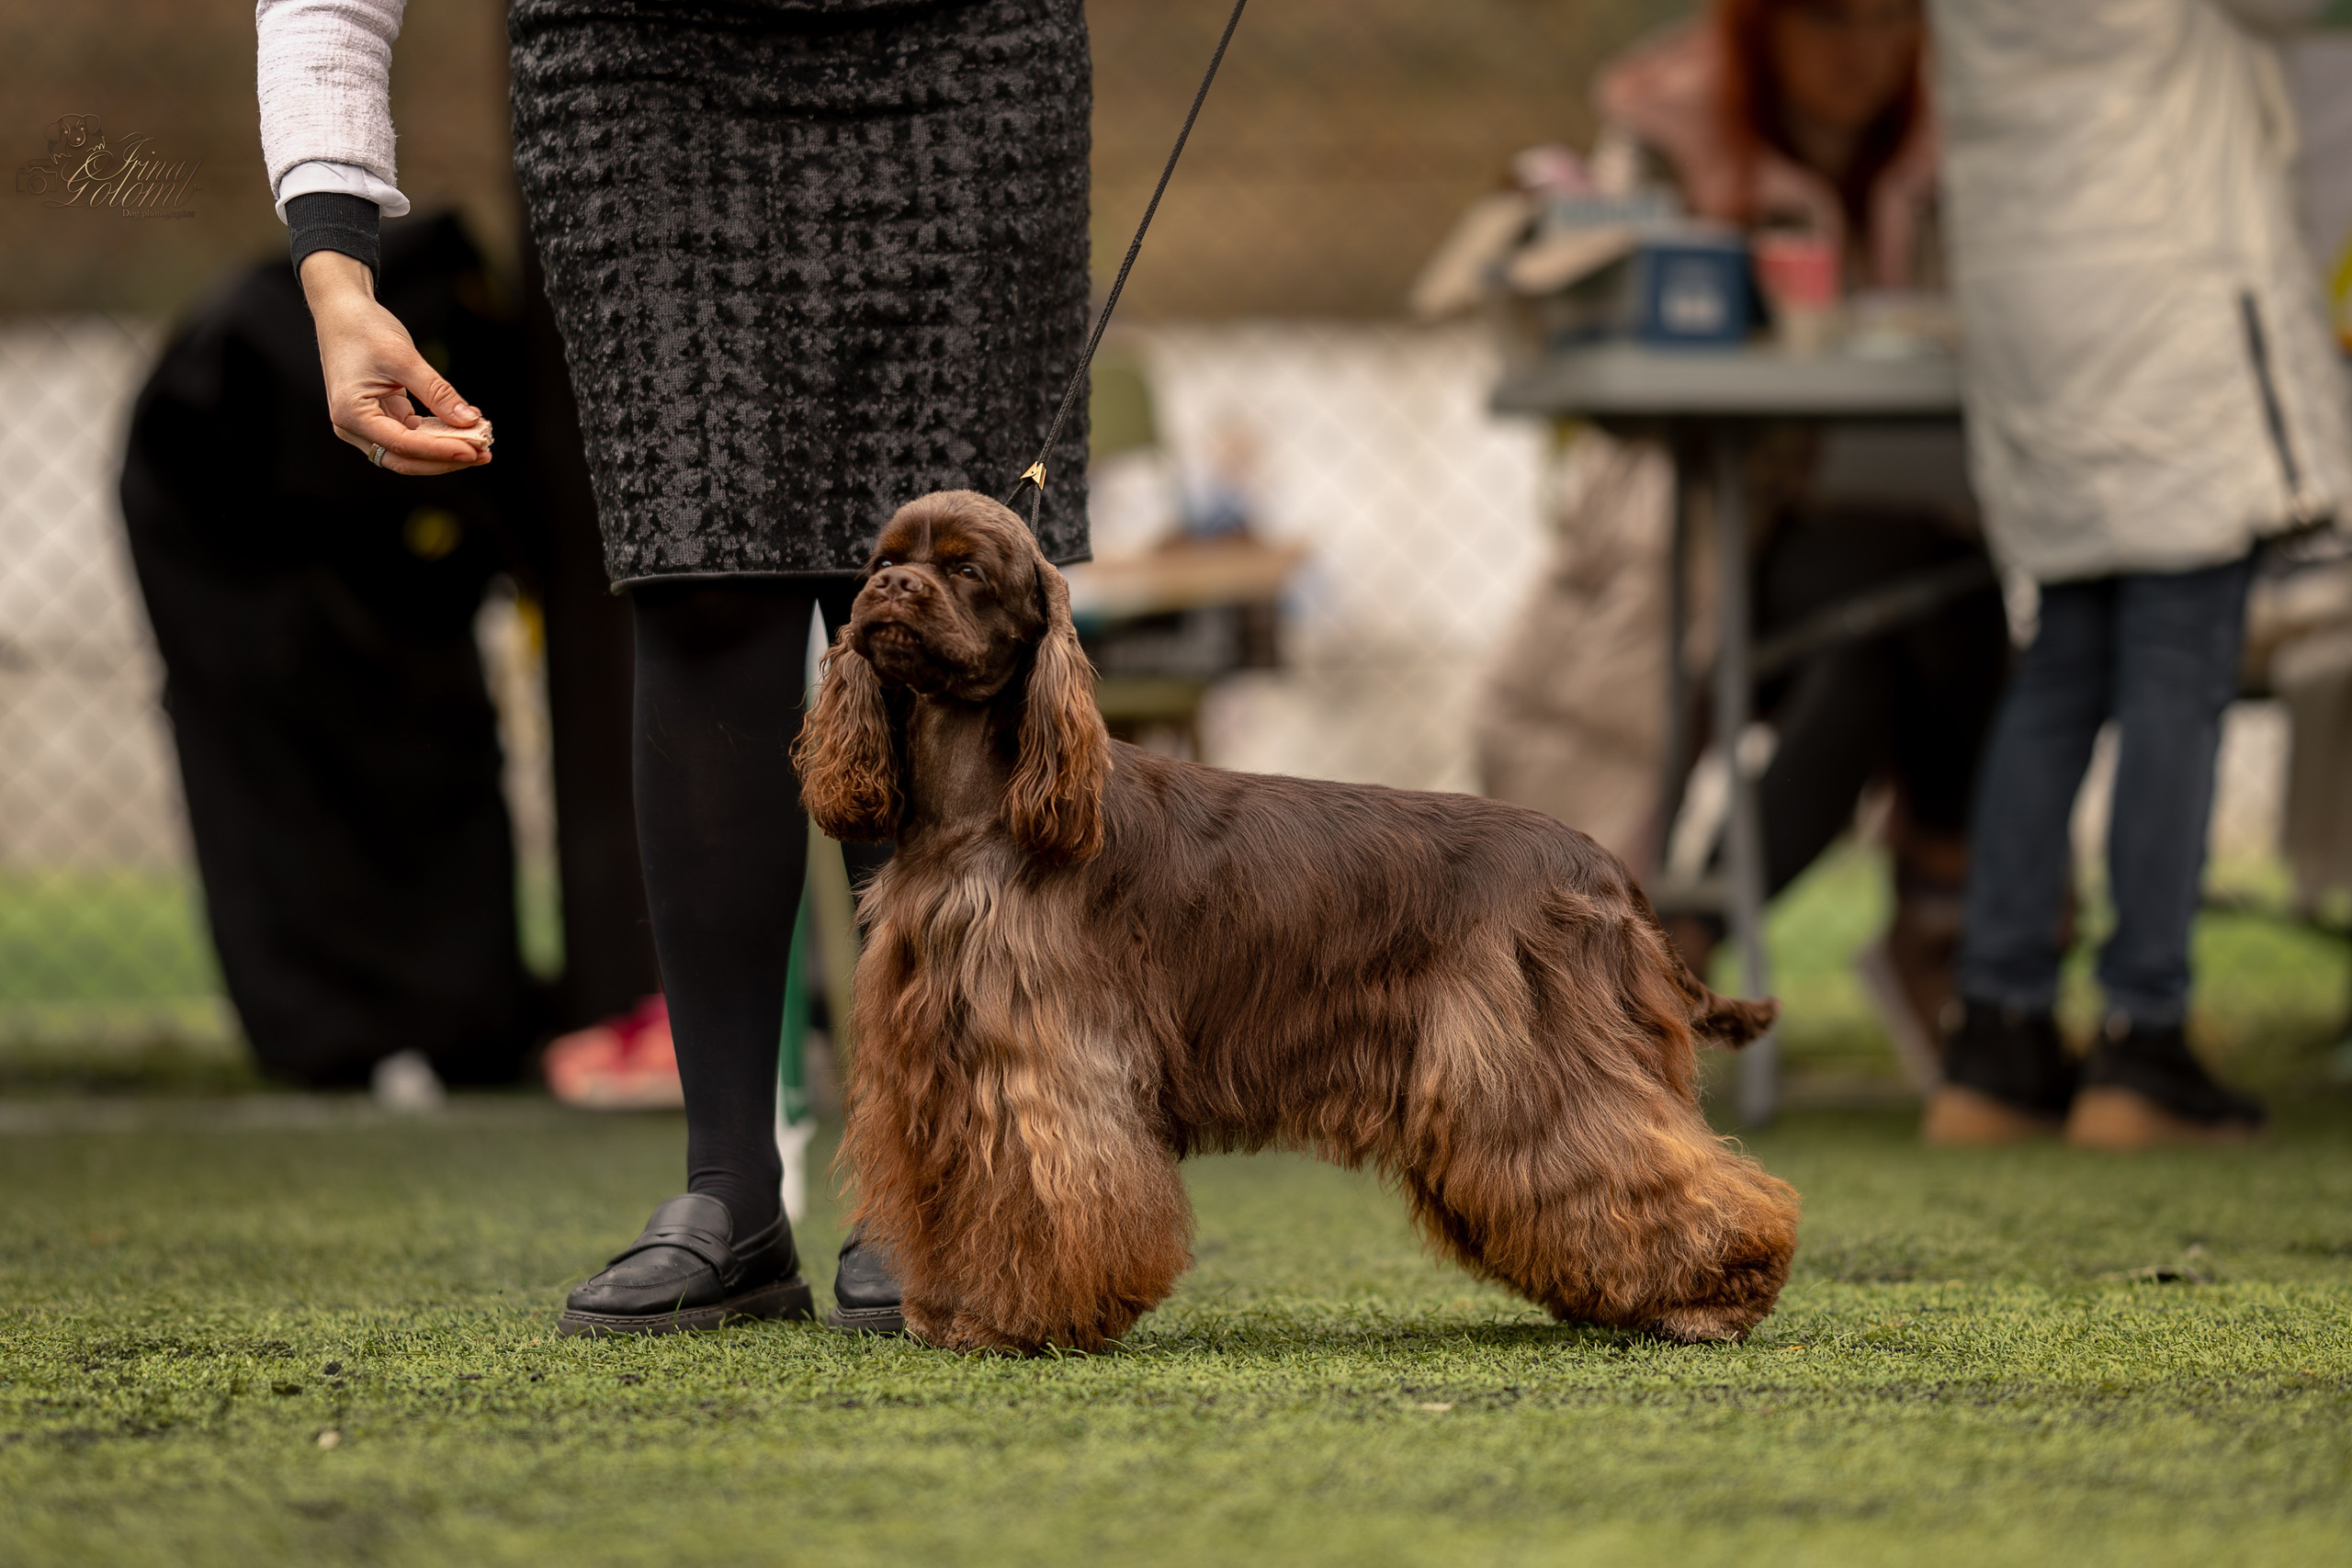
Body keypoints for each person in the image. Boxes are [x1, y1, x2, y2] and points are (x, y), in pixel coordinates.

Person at [256, 0, 1092, 1331]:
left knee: (941, 598)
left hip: (960, 56)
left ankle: (932, 1183)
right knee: (701, 577)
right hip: (644, 74)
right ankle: (729, 1191)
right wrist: (335, 272)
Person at [1476, 0, 2007, 1074]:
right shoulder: (1671, 138)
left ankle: (1679, 948)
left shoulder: (1977, 135)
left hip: (1906, 528)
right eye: (1826, 18)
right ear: (1760, 27)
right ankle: (1935, 921)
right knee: (1933, 592)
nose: (1858, 50)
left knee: (1885, 632)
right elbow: (1600, 358)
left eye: (1885, 20)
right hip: (1718, 527)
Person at [1923, 0, 2352, 1146]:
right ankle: (2141, 1040)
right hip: (2173, 309)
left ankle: (1993, 1042)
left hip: (2038, 319)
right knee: (2175, 669)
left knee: (2059, 665)